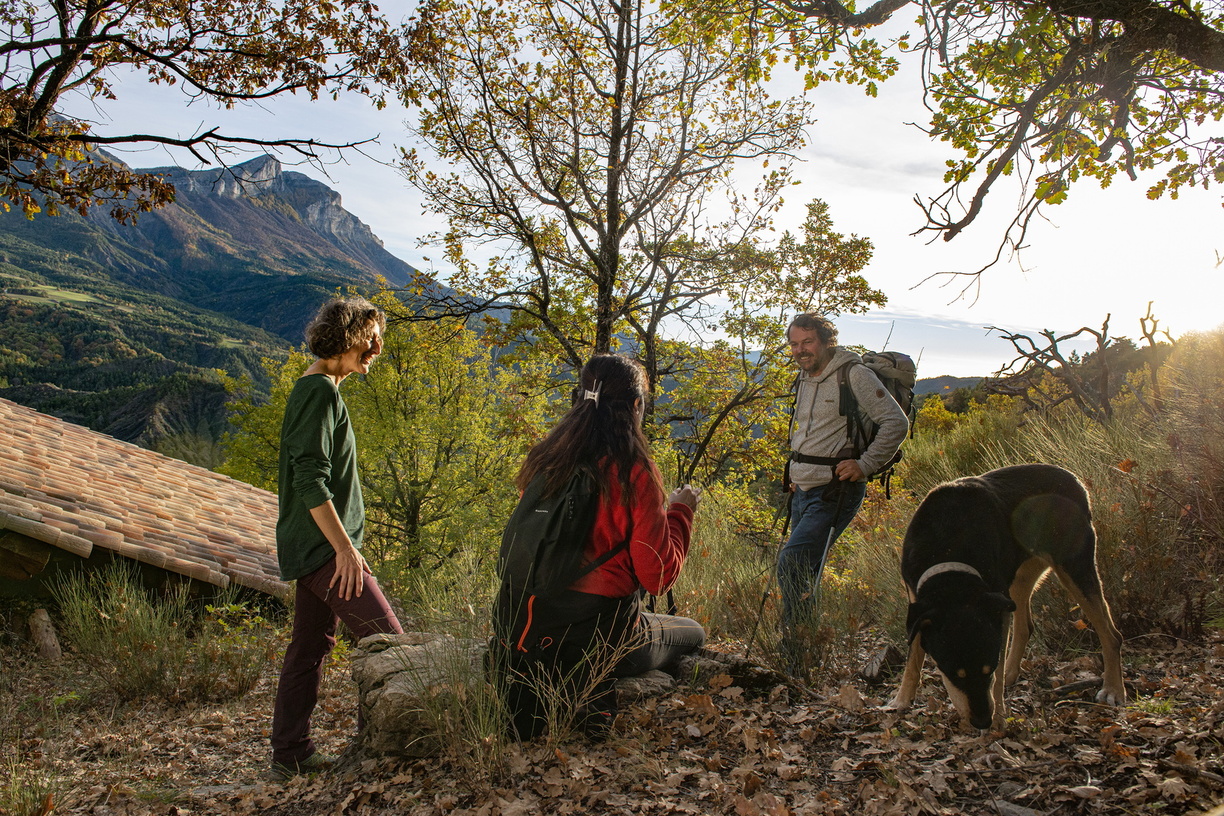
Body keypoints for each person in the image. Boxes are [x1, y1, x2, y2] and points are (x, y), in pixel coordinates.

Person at [494, 353, 705, 740]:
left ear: (579, 398)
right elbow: (657, 576)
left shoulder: (546, 458)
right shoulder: (633, 472)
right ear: (636, 406)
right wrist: (680, 513)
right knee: (692, 632)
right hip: (599, 638)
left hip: (525, 626)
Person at [270, 296, 403, 780]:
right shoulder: (319, 392)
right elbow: (310, 481)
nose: (376, 347)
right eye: (370, 337)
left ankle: (290, 754)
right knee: (390, 646)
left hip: (316, 549)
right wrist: (345, 548)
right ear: (345, 336)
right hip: (326, 551)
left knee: (308, 650)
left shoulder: (322, 389)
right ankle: (381, 752)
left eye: (378, 338)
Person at [777, 313, 908, 666]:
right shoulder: (805, 377)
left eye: (807, 342)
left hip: (836, 491)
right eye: (794, 343)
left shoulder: (854, 375)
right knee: (804, 572)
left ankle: (795, 653)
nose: (800, 350)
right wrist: (796, 471)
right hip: (804, 489)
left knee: (792, 564)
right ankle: (804, 648)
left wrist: (864, 465)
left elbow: (896, 423)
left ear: (825, 340)